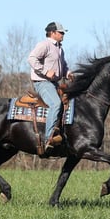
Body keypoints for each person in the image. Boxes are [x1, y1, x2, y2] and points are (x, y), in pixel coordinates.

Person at [28, 21, 72, 153]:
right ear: (52, 33)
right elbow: (31, 58)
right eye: (61, 32)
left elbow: (63, 65)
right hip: (42, 82)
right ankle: (48, 139)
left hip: (54, 83)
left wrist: (68, 73)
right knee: (55, 104)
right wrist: (45, 71)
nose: (63, 34)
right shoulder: (44, 45)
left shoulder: (60, 48)